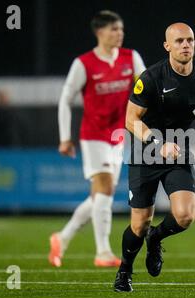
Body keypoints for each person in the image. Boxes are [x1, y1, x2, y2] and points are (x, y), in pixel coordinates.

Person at [113, 23, 195, 292]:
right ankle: (125, 270)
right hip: (146, 149)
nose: (186, 45)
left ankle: (156, 238)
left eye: (191, 40)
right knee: (138, 224)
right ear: (167, 46)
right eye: (180, 41)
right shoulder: (150, 78)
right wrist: (157, 142)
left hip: (179, 148)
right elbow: (130, 120)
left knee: (185, 216)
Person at [49, 10, 146, 268]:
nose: (120, 34)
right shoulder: (84, 64)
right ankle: (102, 252)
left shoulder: (131, 58)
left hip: (118, 136)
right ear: (99, 32)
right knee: (103, 188)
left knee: (100, 196)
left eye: (121, 29)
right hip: (93, 136)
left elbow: (146, 90)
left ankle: (62, 237)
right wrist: (64, 137)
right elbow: (65, 100)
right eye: (114, 29)